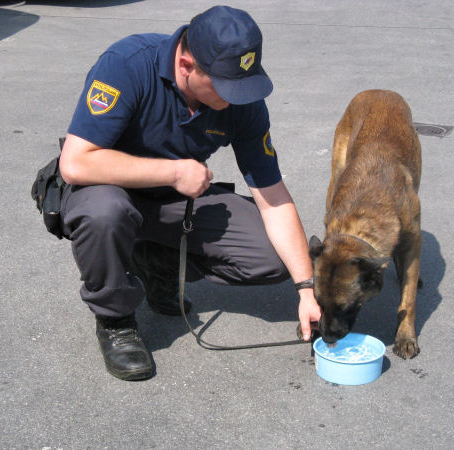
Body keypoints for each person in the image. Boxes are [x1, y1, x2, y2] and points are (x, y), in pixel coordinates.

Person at [59, 5, 321, 381]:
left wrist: (306, 288)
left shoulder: (241, 102)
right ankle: (115, 319)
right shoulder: (127, 64)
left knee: (273, 257)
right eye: (225, 86)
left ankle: (158, 260)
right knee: (105, 213)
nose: (235, 98)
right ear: (185, 64)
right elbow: (76, 162)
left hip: (176, 202)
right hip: (108, 191)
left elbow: (273, 196)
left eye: (242, 84)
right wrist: (174, 170)